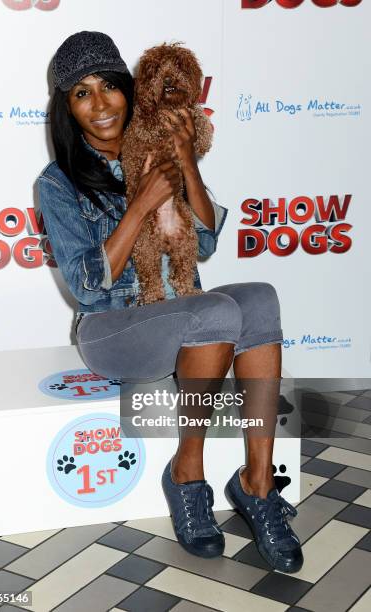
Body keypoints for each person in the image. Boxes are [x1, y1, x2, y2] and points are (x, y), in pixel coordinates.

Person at [38, 31, 303, 572]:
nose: (100, 104)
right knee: (214, 310)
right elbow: (88, 285)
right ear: (66, 109)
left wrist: (186, 163)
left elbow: (203, 240)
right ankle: (187, 472)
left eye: (109, 86)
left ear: (130, 90)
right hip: (112, 330)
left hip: (177, 313)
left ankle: (256, 483)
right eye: (81, 93)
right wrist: (139, 205)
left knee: (260, 298)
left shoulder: (155, 145)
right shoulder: (57, 183)